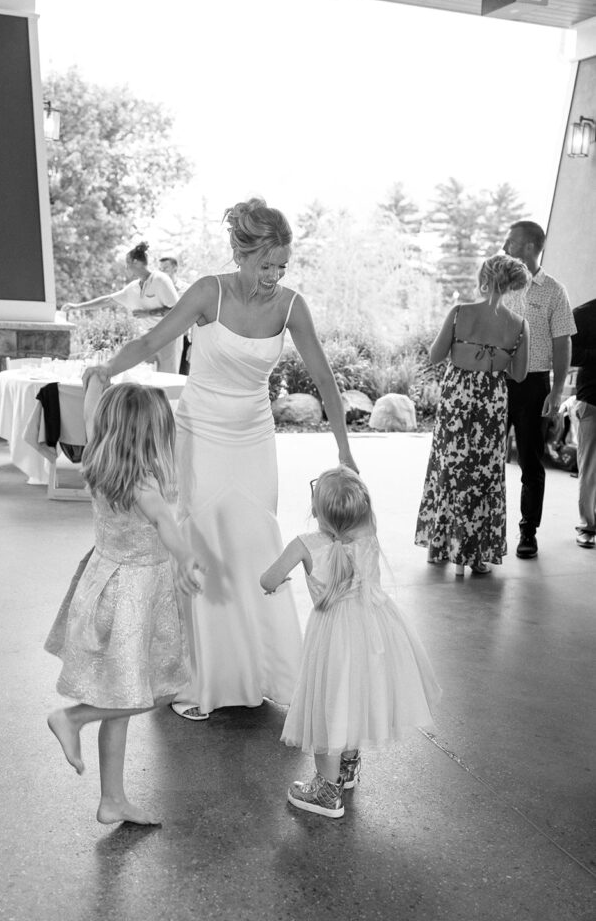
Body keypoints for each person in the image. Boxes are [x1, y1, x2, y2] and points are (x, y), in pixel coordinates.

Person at [83, 196, 358, 721]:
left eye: (282, 266)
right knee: (203, 543)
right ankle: (201, 682)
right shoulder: (207, 291)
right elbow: (152, 340)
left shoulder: (292, 306)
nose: (273, 276)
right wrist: (107, 370)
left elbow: (324, 378)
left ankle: (268, 672)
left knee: (256, 543)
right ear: (239, 252)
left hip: (254, 435)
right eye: (264, 265)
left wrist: (344, 446)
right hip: (201, 432)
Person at [44, 383, 202, 825]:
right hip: (134, 596)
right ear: (152, 434)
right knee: (160, 690)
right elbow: (167, 525)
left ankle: (112, 799)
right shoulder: (144, 485)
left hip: (106, 582)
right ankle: (73, 718)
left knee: (122, 694)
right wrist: (187, 557)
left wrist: (99, 381)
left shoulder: (101, 466)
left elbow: (96, 407)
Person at [260, 468, 441, 819]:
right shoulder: (369, 533)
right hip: (374, 628)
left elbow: (267, 578)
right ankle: (346, 767)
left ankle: (327, 792)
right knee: (355, 695)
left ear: (317, 511)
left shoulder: (305, 544)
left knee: (328, 705)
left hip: (332, 636)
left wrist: (276, 584)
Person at [415, 254, 530, 576]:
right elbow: (519, 375)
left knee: (449, 469)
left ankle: (440, 547)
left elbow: (436, 356)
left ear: (485, 277)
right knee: (485, 475)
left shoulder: (459, 313)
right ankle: (476, 555)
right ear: (511, 285)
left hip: (456, 399)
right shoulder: (519, 325)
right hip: (492, 403)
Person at [503, 221, 577, 559]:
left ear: (531, 247)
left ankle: (527, 533)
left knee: (531, 462)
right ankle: (483, 528)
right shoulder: (501, 285)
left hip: (534, 386)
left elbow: (563, 345)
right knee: (487, 457)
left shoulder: (554, 291)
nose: (505, 246)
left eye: (512, 241)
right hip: (496, 383)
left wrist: (557, 390)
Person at [61, 241, 181, 373]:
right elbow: (107, 300)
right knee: (147, 377)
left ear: (136, 262)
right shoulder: (133, 287)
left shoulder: (160, 279)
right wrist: (76, 307)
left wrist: (148, 313)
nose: (126, 267)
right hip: (147, 337)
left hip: (168, 335)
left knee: (166, 378)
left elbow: (178, 310)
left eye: (127, 263)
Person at [572, 297, 596, 548]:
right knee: (589, 468)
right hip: (592, 400)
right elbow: (568, 351)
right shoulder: (584, 314)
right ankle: (587, 526)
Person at [158, 252, 192, 375]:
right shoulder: (158, 291)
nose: (162, 273)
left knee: (182, 379)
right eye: (160, 270)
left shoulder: (187, 289)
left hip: (183, 341)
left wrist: (193, 344)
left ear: (175, 268)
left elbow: (196, 318)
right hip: (162, 342)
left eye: (165, 269)